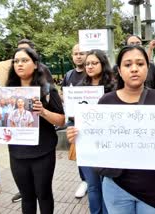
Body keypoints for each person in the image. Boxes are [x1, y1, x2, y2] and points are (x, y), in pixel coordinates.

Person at [67, 45, 155, 214]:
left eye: (140, 64)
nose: (134, 69)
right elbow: (97, 140)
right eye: (127, 65)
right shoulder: (106, 101)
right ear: (119, 70)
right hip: (116, 186)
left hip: (153, 186)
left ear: (147, 68)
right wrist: (78, 137)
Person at [0, 47, 65, 214]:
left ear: (35, 64)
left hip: (43, 151)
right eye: (16, 61)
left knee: (43, 194)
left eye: (24, 60)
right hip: (17, 153)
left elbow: (61, 119)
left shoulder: (47, 90)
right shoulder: (7, 92)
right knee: (27, 196)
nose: (19, 64)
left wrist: (43, 112)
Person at [67, 49, 115, 214]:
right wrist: (71, 126)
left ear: (103, 64)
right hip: (86, 144)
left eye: (94, 63)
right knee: (93, 186)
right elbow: (71, 118)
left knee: (108, 186)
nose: (90, 66)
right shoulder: (79, 89)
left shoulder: (114, 88)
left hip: (109, 145)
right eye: (87, 63)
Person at [61, 43, 89, 199]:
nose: (78, 56)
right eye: (75, 53)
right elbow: (64, 94)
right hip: (73, 121)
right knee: (79, 153)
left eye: (82, 53)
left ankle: (96, 179)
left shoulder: (91, 72)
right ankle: (84, 181)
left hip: (91, 120)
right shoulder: (69, 75)